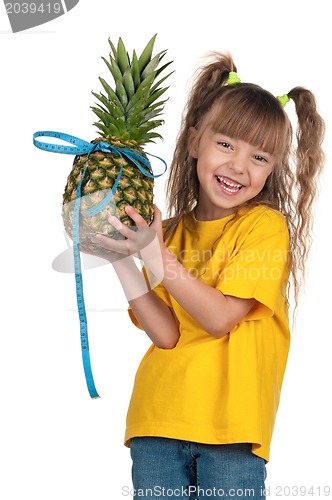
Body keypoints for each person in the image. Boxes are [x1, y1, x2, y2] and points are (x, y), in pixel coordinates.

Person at [90, 53, 325, 499]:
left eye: (259, 156)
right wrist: (120, 257)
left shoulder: (264, 228)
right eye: (226, 145)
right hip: (156, 420)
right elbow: (165, 334)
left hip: (231, 432)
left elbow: (220, 318)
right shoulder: (169, 232)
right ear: (196, 141)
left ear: (272, 169)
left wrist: (155, 255)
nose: (239, 166)